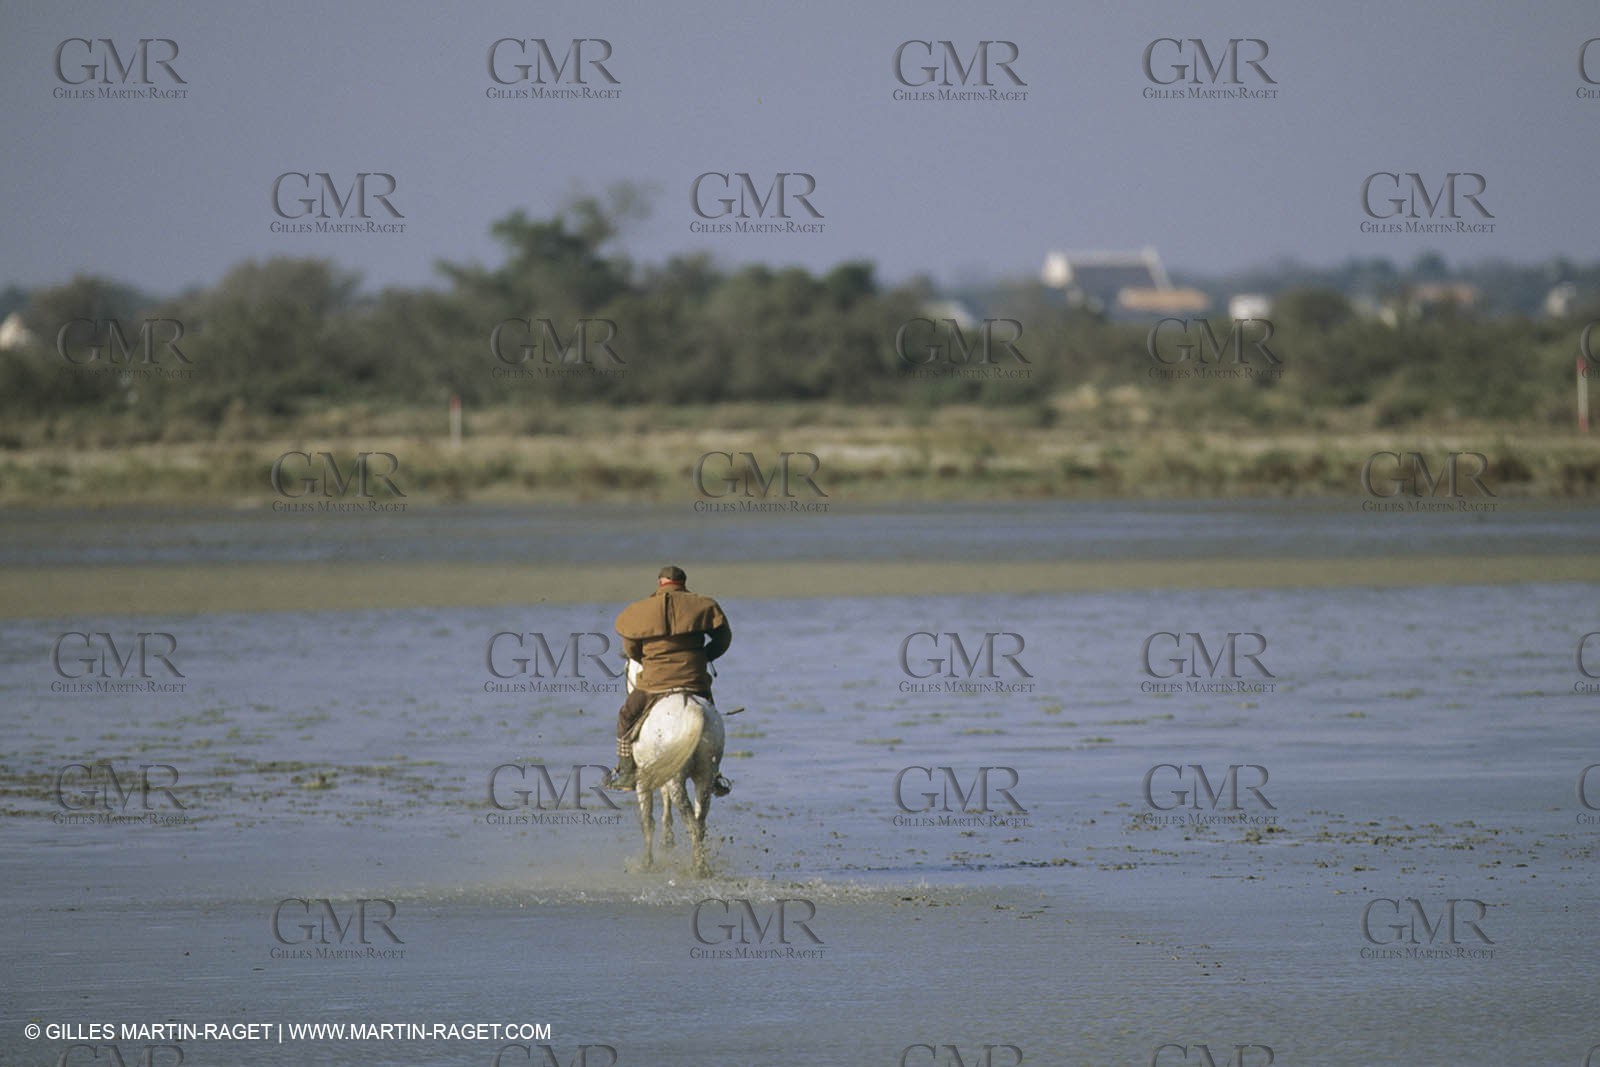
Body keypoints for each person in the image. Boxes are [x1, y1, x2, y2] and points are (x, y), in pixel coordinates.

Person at [606, 565, 732, 792]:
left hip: (654, 683)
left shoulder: (640, 610)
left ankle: (626, 771)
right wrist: (704, 656)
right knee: (709, 712)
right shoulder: (703, 605)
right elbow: (723, 638)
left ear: (660, 582)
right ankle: (714, 774)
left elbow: (631, 648)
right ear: (683, 582)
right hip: (694, 679)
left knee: (626, 716)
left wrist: (649, 662)